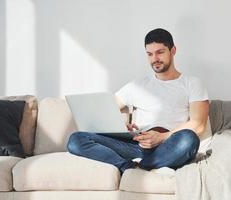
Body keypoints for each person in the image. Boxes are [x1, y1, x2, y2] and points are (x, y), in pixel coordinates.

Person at [67, 28, 209, 174]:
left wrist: (162, 137)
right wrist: (120, 128)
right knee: (76, 139)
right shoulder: (137, 85)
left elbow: (198, 124)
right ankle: (127, 167)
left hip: (169, 145)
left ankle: (145, 165)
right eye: (149, 54)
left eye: (160, 52)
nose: (155, 59)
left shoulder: (191, 83)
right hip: (136, 146)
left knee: (189, 139)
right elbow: (105, 112)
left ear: (173, 51)